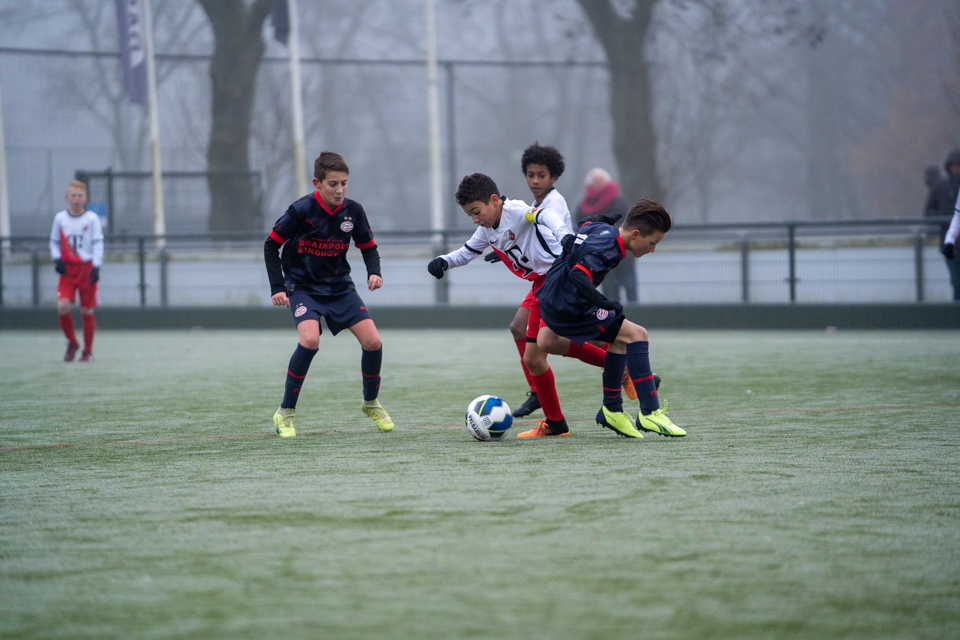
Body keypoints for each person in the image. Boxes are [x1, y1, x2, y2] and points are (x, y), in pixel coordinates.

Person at [428, 173, 633, 437]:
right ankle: (559, 420)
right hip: (541, 285)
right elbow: (467, 252)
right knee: (537, 355)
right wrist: (444, 261)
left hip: (557, 279)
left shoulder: (515, 210)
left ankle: (615, 370)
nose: (475, 219)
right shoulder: (486, 230)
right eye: (470, 215)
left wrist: (563, 235)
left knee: (546, 347)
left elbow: (544, 215)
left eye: (476, 212)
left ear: (494, 200)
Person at [263, 151, 393, 437]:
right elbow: (271, 245)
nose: (339, 190)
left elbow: (368, 247)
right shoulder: (301, 210)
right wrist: (278, 287)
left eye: (344, 183)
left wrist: (374, 272)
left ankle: (370, 402)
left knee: (373, 341)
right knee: (310, 340)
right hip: (303, 288)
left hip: (340, 288)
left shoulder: (354, 211)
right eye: (333, 184)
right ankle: (285, 412)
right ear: (317, 183)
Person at [535, 199, 686, 439]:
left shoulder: (601, 229)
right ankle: (650, 412)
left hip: (551, 297)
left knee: (618, 341)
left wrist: (601, 218)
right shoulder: (610, 248)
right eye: (652, 242)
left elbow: (585, 223)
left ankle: (612, 410)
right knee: (638, 335)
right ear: (635, 234)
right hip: (567, 306)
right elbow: (579, 275)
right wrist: (603, 302)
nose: (653, 249)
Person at [486, 142, 584, 418]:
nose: (535, 181)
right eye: (531, 175)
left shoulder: (553, 203)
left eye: (542, 175)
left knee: (579, 336)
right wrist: (507, 249)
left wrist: (514, 247)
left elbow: (551, 238)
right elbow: (526, 235)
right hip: (544, 279)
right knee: (519, 327)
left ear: (554, 177)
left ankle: (630, 369)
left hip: (559, 277)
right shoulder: (535, 204)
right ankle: (537, 392)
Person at [50, 180, 104, 362]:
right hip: (68, 270)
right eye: (73, 196)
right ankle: (72, 342)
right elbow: (54, 242)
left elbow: (98, 243)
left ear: (85, 198)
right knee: (62, 306)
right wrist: (57, 259)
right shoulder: (60, 218)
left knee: (87, 310)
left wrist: (96, 266)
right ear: (67, 198)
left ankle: (88, 351)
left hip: (86, 268)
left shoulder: (92, 219)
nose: (76, 199)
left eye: (80, 196)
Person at [575, 168, 636, 303]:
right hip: (601, 255)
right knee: (609, 291)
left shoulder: (618, 201)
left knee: (630, 288)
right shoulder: (585, 204)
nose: (597, 183)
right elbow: (579, 221)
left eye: (600, 180)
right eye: (595, 181)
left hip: (623, 253)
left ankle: (635, 314)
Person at [930, 150, 960, 300]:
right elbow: (929, 210)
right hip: (950, 243)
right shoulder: (941, 187)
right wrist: (942, 218)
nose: (956, 169)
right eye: (953, 166)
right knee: (956, 281)